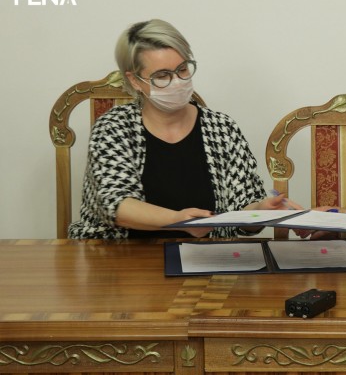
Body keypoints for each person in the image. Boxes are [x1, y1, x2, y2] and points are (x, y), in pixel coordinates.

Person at [68, 19, 289, 239]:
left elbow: (243, 209)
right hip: (121, 254)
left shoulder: (222, 129)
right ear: (134, 80)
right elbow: (117, 206)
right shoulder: (114, 128)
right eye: (162, 76)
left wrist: (261, 211)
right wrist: (178, 220)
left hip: (204, 255)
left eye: (182, 69)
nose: (177, 82)